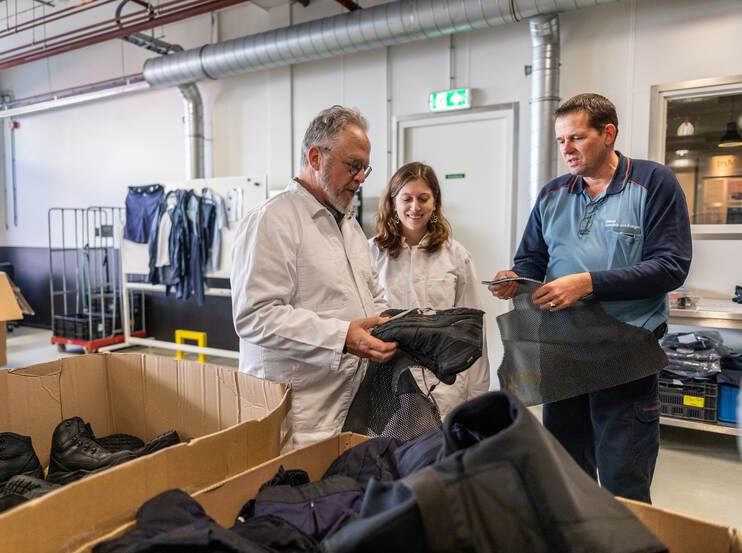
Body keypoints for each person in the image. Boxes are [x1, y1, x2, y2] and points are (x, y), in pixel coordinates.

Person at [489, 93, 692, 502]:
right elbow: (531, 258)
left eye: (576, 138)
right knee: (567, 478)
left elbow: (671, 266)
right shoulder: (552, 194)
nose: (566, 149)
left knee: (624, 483)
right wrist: (516, 278)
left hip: (626, 356)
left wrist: (587, 284)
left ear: (608, 134)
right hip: (564, 354)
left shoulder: (653, 183)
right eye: (561, 140)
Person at [231, 105, 397, 448]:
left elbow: (371, 294)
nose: (361, 178)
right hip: (296, 416)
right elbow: (255, 316)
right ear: (315, 157)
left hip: (346, 407)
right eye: (353, 165)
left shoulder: (348, 225)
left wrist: (393, 324)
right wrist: (342, 337)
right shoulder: (273, 220)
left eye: (365, 168)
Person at [369, 161, 489, 417]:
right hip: (386, 384)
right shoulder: (370, 253)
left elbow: (474, 331)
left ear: (435, 203)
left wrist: (478, 396)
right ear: (392, 203)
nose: (415, 207)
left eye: (423, 198)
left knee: (439, 454)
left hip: (445, 387)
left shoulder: (456, 256)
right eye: (407, 199)